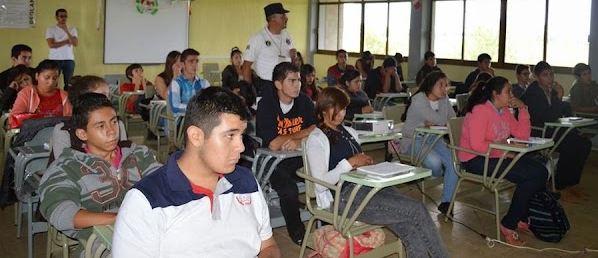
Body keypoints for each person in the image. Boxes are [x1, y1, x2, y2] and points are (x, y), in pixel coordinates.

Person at [113, 87, 280, 258]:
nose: (241, 147)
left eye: (241, 136)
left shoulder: (247, 183)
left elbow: (268, 246)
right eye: (230, 136)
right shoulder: (145, 201)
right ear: (196, 136)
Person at [306, 87, 450, 258]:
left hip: (367, 187)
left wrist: (368, 164)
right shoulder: (316, 139)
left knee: (411, 225)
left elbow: (356, 164)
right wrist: (349, 163)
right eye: (335, 109)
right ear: (322, 109)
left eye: (344, 109)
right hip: (345, 198)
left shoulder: (349, 132)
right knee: (416, 209)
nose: (341, 114)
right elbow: (320, 184)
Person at [39, 93, 161, 249]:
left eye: (114, 122)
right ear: (82, 134)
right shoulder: (66, 167)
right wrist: (120, 218)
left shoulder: (139, 155)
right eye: (101, 126)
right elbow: (61, 213)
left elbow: (165, 184)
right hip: (101, 246)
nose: (111, 131)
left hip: (150, 234)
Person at [459, 76, 547, 246]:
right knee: (532, 175)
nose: (512, 95)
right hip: (474, 159)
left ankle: (520, 216)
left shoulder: (505, 112)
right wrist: (505, 152)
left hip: (496, 155)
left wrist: (523, 110)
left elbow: (522, 136)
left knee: (540, 170)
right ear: (495, 94)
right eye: (508, 91)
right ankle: (509, 223)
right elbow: (477, 146)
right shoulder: (480, 111)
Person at [256, 62, 315, 245]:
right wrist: (301, 135)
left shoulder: (304, 101)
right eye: (292, 81)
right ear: (278, 84)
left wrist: (296, 140)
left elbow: (314, 128)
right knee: (289, 190)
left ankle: (325, 224)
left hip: (297, 156)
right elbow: (273, 144)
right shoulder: (266, 104)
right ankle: (298, 234)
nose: (298, 85)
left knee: (327, 175)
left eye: (298, 80)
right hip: (272, 162)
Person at [521, 61, 592, 203]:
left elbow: (561, 110)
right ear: (536, 77)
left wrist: (565, 109)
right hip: (538, 134)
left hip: (552, 130)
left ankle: (572, 183)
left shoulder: (550, 91)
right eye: (545, 75)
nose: (550, 78)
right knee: (570, 146)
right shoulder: (532, 94)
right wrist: (559, 96)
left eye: (551, 75)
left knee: (584, 143)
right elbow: (548, 116)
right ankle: (560, 187)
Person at [400, 71, 458, 215]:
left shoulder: (443, 99)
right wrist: (444, 102)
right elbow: (441, 120)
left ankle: (446, 203)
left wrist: (444, 100)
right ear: (431, 85)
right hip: (414, 138)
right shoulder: (418, 99)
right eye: (441, 85)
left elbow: (453, 118)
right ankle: (445, 172)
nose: (445, 89)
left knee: (454, 162)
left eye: (447, 85)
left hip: (434, 138)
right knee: (434, 163)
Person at [51, 75, 128, 160]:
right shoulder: (64, 130)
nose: (108, 101)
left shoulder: (117, 124)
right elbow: (63, 164)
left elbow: (125, 156)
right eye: (102, 96)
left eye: (108, 96)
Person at [243, 2, 296, 96]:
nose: (286, 18)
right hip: (266, 85)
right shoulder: (258, 38)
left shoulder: (287, 36)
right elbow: (246, 66)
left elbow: (292, 62)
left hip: (286, 84)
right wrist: (248, 90)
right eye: (283, 16)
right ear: (273, 19)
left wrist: (293, 57)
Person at [168, 48, 210, 116]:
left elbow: (210, 102)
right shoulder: (176, 83)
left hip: (201, 120)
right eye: (191, 61)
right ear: (182, 64)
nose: (195, 64)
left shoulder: (204, 83)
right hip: (182, 121)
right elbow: (175, 106)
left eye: (196, 61)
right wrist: (195, 109)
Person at [45, 9, 78, 90]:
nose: (64, 18)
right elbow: (51, 45)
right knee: (52, 83)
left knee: (69, 84)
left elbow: (75, 43)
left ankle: (67, 101)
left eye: (65, 16)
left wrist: (67, 31)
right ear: (57, 17)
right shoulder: (51, 29)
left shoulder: (72, 29)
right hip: (54, 59)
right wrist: (67, 41)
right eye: (61, 16)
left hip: (69, 60)